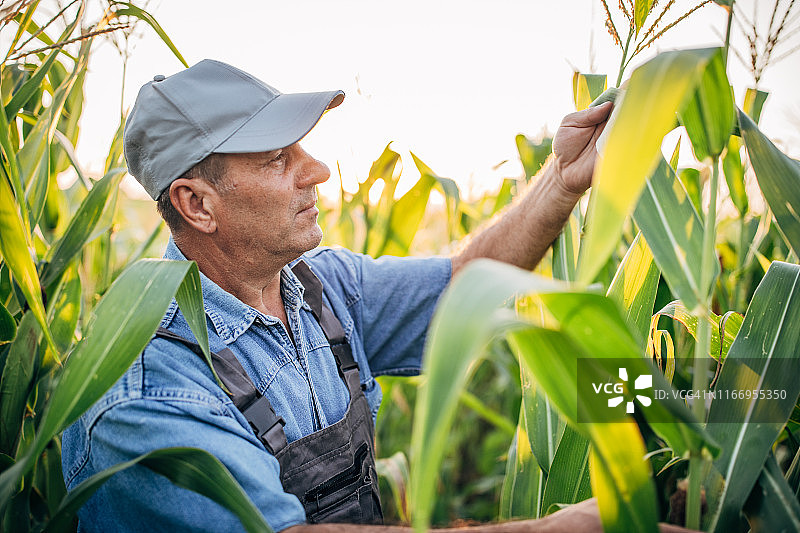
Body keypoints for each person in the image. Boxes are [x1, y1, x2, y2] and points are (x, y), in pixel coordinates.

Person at [59, 59, 678, 532]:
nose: (317, 171)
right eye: (278, 158)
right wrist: (562, 527)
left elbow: (462, 286)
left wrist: (562, 180)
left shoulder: (320, 285)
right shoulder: (144, 386)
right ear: (198, 203)